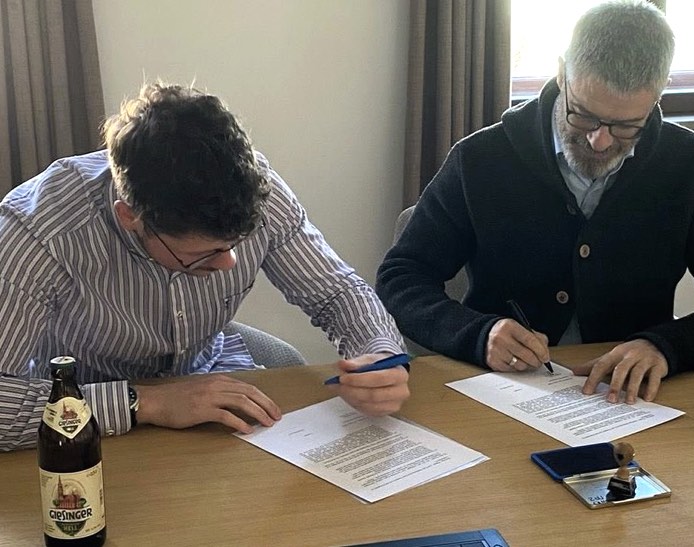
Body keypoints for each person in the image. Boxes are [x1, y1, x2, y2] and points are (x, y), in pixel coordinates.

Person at [376, 0, 694, 405]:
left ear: (659, 93)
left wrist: (667, 346)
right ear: (562, 72)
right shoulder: (481, 160)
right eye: (583, 116)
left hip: (632, 399)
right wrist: (479, 334)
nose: (599, 141)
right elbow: (401, 278)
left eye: (626, 127)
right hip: (499, 392)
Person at [0, 82, 409, 452]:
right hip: (80, 413)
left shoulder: (254, 187)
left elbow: (337, 293)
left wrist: (378, 353)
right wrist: (147, 402)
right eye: (204, 253)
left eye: (237, 244)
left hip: (212, 384)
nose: (229, 262)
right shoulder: (39, 232)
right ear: (130, 217)